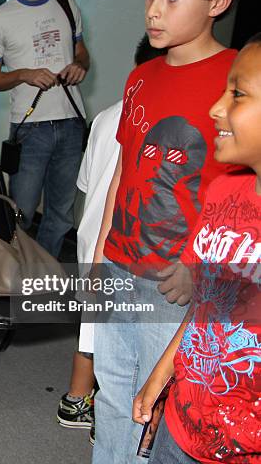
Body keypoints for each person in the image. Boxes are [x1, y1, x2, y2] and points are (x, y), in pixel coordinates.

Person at [90, 0, 252, 462]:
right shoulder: (141, 77)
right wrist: (98, 257)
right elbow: (123, 173)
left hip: (175, 284)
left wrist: (194, 267)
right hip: (120, 262)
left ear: (218, 3)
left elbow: (237, 191)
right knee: (113, 393)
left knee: (159, 405)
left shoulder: (236, 80)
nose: (153, 12)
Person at [133, 33, 261, 463]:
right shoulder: (225, 191)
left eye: (238, 93)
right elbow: (203, 308)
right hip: (182, 425)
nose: (216, 107)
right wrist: (160, 378)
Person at [57, 36, 166, 446]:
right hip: (121, 243)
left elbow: (86, 182)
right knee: (120, 337)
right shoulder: (160, 123)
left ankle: (75, 399)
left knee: (94, 326)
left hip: (92, 237)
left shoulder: (105, 116)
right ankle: (97, 411)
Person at [0, 0, 90, 259]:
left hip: (71, 122)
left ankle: (41, 278)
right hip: (30, 128)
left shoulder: (67, 4)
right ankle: (10, 274)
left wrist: (79, 66)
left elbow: (83, 54)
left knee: (60, 215)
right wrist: (23, 75)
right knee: (23, 212)